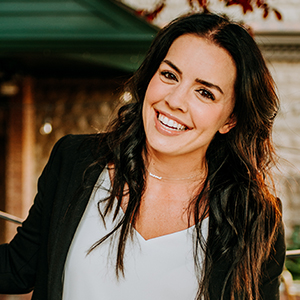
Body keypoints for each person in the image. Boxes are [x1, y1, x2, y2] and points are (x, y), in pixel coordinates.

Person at [0, 12, 285, 300]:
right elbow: (17, 267)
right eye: (169, 75)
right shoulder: (75, 161)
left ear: (230, 119)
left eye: (204, 93)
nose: (174, 100)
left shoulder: (254, 216)